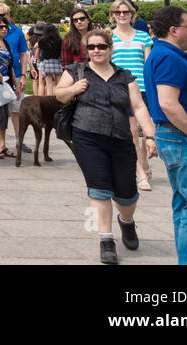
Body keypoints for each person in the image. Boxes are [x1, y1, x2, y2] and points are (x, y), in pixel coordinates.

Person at [55, 27, 157, 264]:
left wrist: (150, 136)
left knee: (127, 195)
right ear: (86, 50)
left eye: (101, 46)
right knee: (99, 188)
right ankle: (106, 240)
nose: (96, 51)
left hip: (120, 139)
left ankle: (127, 222)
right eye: (91, 47)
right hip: (87, 137)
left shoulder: (124, 75)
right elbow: (59, 94)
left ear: (110, 49)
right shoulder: (77, 71)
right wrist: (73, 89)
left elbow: (139, 107)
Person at [143, 5, 187, 266]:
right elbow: (168, 103)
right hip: (182, 138)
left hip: (174, 137)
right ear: (174, 31)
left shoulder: (162, 53)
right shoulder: (169, 57)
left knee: (186, 204)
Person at [106, 0, 155, 190]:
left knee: (146, 131)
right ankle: (141, 174)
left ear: (132, 14)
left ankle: (143, 162)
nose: (122, 15)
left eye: (125, 12)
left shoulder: (143, 37)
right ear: (113, 15)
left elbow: (148, 64)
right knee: (133, 132)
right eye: (118, 12)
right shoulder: (109, 36)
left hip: (142, 87)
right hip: (120, 88)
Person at [0, 2, 30, 154]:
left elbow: (22, 54)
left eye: (2, 16)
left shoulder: (16, 32)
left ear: (8, 16)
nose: (0, 22)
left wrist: (22, 77)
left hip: (12, 78)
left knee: (13, 111)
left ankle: (16, 141)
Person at [34, 22, 64, 95]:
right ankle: (58, 100)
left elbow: (35, 47)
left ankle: (49, 101)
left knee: (49, 84)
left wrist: (39, 59)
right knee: (58, 84)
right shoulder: (60, 40)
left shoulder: (42, 40)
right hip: (57, 62)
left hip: (47, 62)